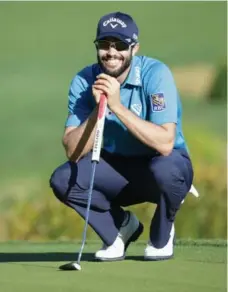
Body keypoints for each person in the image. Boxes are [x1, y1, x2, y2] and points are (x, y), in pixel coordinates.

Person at [49, 11, 194, 261]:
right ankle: (120, 228)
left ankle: (162, 232)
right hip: (115, 168)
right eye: (105, 44)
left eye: (121, 45)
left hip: (160, 165)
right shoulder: (84, 81)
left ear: (134, 48)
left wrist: (116, 105)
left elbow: (165, 143)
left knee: (167, 171)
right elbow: (73, 151)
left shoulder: (156, 74)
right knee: (64, 180)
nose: (112, 52)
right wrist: (98, 110)